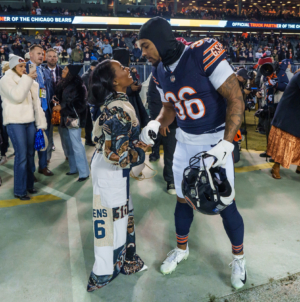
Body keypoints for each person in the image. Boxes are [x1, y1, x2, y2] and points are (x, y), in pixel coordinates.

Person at [138, 17, 246, 290]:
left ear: (161, 41)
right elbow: (170, 108)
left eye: (146, 46)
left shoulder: (201, 53)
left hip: (214, 139)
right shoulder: (161, 70)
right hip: (185, 141)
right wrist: (155, 123)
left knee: (224, 203)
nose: (143, 53)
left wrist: (226, 143)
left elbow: (235, 98)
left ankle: (239, 258)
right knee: (183, 200)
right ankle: (182, 249)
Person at [87, 59, 149, 292]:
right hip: (110, 170)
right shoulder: (118, 108)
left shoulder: (118, 101)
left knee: (122, 216)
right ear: (114, 81)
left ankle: (126, 260)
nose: (128, 70)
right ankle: (103, 272)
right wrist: (144, 144)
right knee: (108, 221)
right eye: (122, 69)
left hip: (110, 170)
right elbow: (120, 156)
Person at [0, 55, 47, 200]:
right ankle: (19, 190)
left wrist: (41, 124)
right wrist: (28, 79)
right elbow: (17, 96)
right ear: (13, 67)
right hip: (15, 122)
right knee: (21, 156)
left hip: (30, 122)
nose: (23, 68)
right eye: (20, 66)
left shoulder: (30, 82)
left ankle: (29, 185)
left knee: (30, 155)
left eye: (24, 66)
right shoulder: (5, 80)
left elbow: (36, 105)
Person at [52, 64, 90, 182]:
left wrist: (61, 107)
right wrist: (56, 100)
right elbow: (62, 98)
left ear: (71, 72)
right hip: (64, 118)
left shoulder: (79, 85)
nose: (63, 70)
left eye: (66, 69)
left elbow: (79, 104)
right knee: (69, 144)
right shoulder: (63, 83)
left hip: (73, 118)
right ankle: (73, 168)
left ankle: (84, 172)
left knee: (76, 144)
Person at [27, 44, 54, 177]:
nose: (41, 56)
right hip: (31, 112)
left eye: (42, 54)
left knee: (44, 140)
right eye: (38, 53)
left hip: (45, 110)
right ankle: (30, 171)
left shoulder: (45, 71)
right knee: (31, 143)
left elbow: (48, 91)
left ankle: (43, 166)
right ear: (30, 54)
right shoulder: (24, 69)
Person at [267, 70, 300, 179]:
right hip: (288, 114)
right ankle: (275, 166)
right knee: (284, 142)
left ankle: (299, 166)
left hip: (296, 113)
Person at [148, 75, 177, 195]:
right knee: (170, 150)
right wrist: (163, 121)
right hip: (169, 121)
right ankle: (171, 180)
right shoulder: (158, 74)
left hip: (184, 119)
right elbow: (154, 99)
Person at [45, 48, 67, 162]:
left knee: (64, 134)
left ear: (57, 58)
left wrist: (61, 103)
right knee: (48, 135)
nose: (52, 58)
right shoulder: (42, 71)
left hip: (60, 108)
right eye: (50, 56)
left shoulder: (63, 72)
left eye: (54, 56)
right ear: (46, 58)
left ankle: (68, 155)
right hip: (46, 108)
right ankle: (47, 159)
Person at [81, 60, 98, 146]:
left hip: (91, 102)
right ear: (92, 67)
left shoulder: (92, 75)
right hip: (87, 103)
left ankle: (90, 139)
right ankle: (88, 139)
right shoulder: (86, 76)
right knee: (88, 122)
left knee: (91, 122)